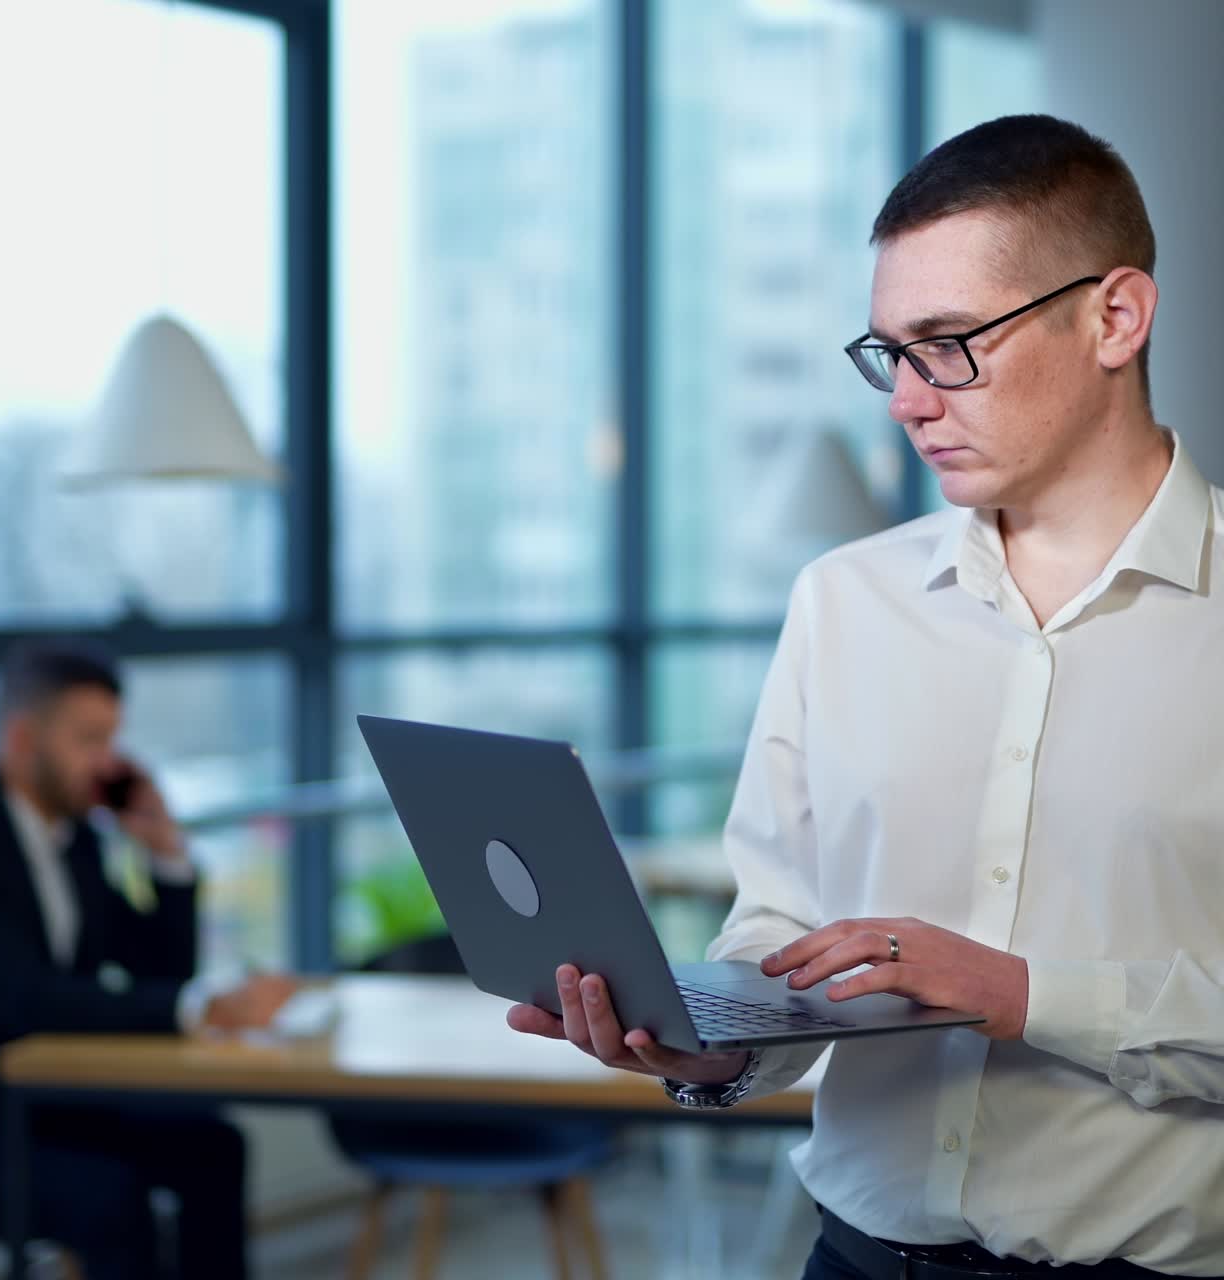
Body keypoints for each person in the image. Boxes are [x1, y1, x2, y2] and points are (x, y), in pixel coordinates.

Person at [510, 114, 1224, 1278]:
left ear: (1114, 316)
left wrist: (1017, 992)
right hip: (854, 1256)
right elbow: (777, 927)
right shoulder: (840, 601)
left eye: (948, 342)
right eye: (888, 349)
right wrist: (706, 1049)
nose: (904, 399)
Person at [0, 640, 300, 1279]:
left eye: (112, 741)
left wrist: (164, 851)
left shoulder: (72, 835)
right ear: (22, 740)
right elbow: (26, 998)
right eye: (90, 740)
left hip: (51, 1102)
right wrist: (199, 1009)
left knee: (212, 1146)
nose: (109, 763)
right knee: (112, 1197)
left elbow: (158, 969)